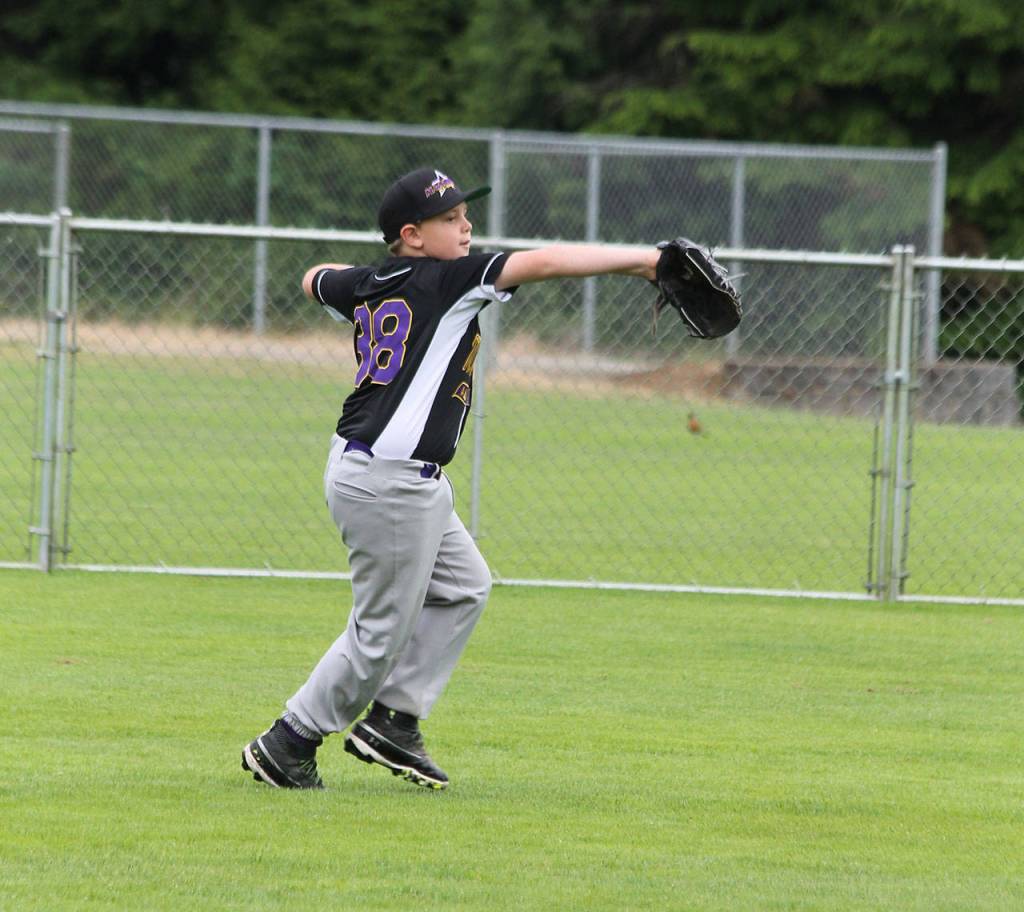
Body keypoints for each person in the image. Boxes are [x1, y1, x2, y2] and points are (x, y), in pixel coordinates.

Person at [242, 166, 660, 790]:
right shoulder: (448, 279)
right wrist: (646, 258)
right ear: (412, 234)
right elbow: (544, 264)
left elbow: (312, 280)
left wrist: (356, 276)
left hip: (392, 474)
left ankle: (394, 722)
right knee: (378, 634)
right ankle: (289, 740)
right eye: (449, 219)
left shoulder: (370, 282)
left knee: (465, 585)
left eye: (466, 214)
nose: (466, 226)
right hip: (388, 481)